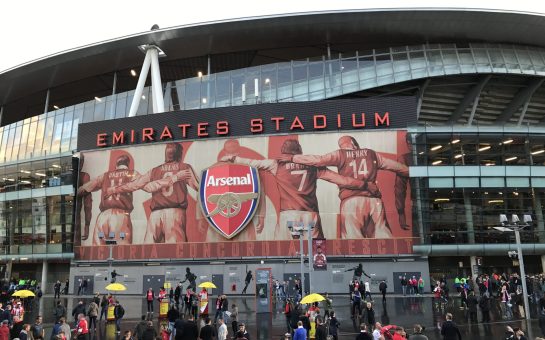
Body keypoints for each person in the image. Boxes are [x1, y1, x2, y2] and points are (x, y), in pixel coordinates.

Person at [223, 139, 372, 240]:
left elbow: (253, 163)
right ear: (299, 152)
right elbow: (342, 180)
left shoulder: (276, 164)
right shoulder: (314, 167)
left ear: (283, 152)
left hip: (288, 215)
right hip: (309, 215)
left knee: (283, 254)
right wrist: (365, 185)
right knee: (315, 253)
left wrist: (233, 159)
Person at [282, 135, 409, 239]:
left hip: (351, 201)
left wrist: (293, 157)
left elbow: (319, 160)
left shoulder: (340, 154)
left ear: (343, 146)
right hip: (374, 200)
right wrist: (417, 172)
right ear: (354, 143)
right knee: (382, 234)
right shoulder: (372, 154)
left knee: (353, 238)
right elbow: (398, 167)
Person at [107, 143, 199, 244]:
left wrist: (116, 189)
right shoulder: (184, 167)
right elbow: (199, 187)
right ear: (179, 154)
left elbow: (135, 184)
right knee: (175, 251)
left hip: (155, 215)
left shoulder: (154, 170)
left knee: (149, 251)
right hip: (175, 212)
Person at [77, 154, 136, 245]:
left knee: (98, 251)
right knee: (121, 251)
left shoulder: (105, 175)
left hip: (103, 216)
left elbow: (84, 189)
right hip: (121, 216)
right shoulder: (132, 173)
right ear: (128, 164)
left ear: (116, 165)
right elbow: (144, 182)